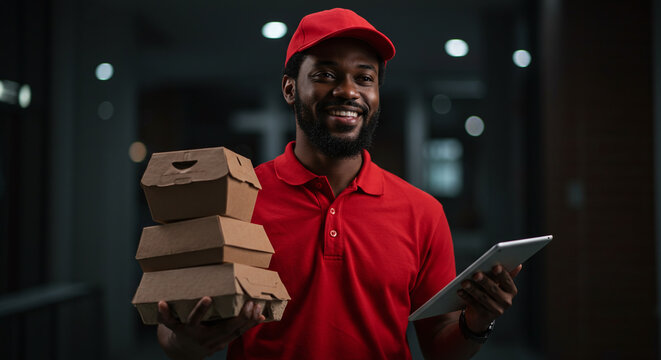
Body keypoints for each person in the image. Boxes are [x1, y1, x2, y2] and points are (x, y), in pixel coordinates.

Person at [156, 8, 522, 359]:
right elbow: (173, 334)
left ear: (377, 95)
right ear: (289, 88)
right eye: (326, 75)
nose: (349, 91)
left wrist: (477, 322)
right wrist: (187, 342)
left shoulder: (423, 213)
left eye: (364, 77)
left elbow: (440, 347)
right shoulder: (234, 198)